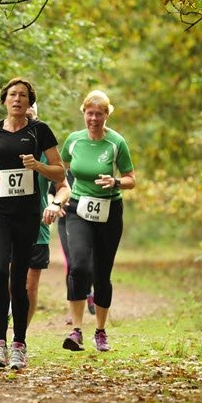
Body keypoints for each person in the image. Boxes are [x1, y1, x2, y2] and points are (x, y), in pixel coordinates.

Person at [0, 78, 65, 369]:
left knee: (19, 279)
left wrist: (38, 166)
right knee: (0, 270)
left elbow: (59, 173)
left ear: (30, 103)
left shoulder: (39, 131)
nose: (17, 99)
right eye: (12, 95)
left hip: (27, 214)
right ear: (4, 99)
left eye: (23, 96)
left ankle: (19, 343)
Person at [61, 90, 135, 352]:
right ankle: (76, 330)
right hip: (79, 209)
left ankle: (100, 331)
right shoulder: (73, 140)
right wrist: (58, 195)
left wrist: (115, 181)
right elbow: (62, 169)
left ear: (106, 115)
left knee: (102, 273)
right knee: (79, 266)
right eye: (90, 113)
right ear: (84, 113)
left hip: (109, 211)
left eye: (99, 114)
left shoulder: (116, 142)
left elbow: (131, 178)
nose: (94, 118)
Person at [24, 104, 71, 327]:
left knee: (30, 286)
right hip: (3, 221)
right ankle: (1, 330)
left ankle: (18, 338)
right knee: (4, 280)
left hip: (36, 225)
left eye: (30, 115)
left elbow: (64, 186)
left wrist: (54, 203)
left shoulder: (44, 148)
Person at [54, 170, 96, 324]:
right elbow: (52, 192)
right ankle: (73, 311)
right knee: (72, 265)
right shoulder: (62, 173)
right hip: (66, 221)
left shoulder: (92, 172)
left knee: (90, 266)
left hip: (89, 220)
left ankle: (88, 291)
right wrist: (56, 203)